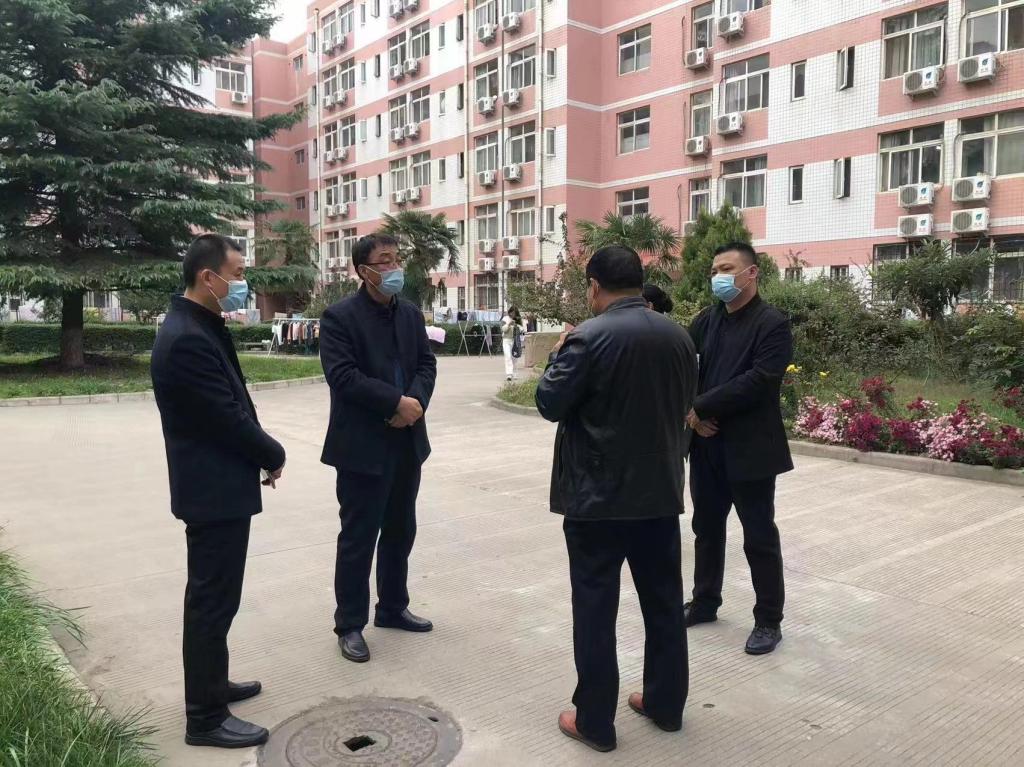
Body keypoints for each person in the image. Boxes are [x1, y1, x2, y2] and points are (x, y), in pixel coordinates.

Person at [536, 245, 697, 753]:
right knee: (664, 604)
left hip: (597, 500)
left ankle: (595, 721)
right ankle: (666, 704)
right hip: (659, 494)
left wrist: (559, 353)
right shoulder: (678, 336)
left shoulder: (586, 338)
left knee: (595, 609)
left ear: (594, 286)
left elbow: (549, 402)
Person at [151, 234, 286, 749]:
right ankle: (204, 718)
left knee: (219, 599)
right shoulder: (186, 337)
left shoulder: (200, 325)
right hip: (212, 490)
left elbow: (232, 403)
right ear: (209, 277)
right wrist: (272, 452)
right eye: (238, 273)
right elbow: (225, 417)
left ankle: (214, 684)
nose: (243, 283)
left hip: (220, 483)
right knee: (210, 602)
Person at [319, 233, 437, 664]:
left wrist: (414, 404)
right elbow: (343, 376)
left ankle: (392, 607)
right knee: (359, 536)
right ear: (363, 270)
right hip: (362, 446)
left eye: (396, 259)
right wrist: (393, 404)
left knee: (401, 529)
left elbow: (426, 364)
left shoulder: (409, 314)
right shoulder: (339, 317)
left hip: (407, 441)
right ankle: (350, 624)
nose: (393, 268)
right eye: (384, 261)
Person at [684, 241, 793, 656]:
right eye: (715, 270)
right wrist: (692, 414)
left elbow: (760, 380)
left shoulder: (772, 324)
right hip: (707, 445)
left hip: (750, 449)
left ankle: (768, 620)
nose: (719, 277)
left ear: (751, 273)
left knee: (759, 536)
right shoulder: (706, 320)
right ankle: (705, 601)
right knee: (706, 530)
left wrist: (701, 405)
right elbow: (683, 368)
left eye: (727, 269)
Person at [501, 306, 524, 381]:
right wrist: (508, 324)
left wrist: (516, 326)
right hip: (506, 340)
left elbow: (522, 329)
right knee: (508, 356)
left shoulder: (518, 319)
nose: (512, 314)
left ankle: (515, 373)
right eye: (511, 313)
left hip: (515, 340)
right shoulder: (505, 319)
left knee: (514, 357)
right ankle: (509, 374)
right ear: (509, 312)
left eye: (514, 313)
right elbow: (503, 329)